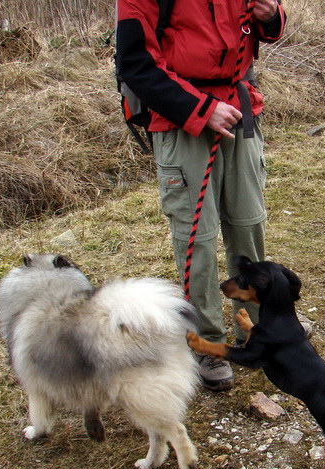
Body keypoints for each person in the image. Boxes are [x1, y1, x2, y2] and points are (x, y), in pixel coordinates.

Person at [115, 0, 286, 391]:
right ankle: (207, 342)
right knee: (199, 239)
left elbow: (263, 29)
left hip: (241, 110)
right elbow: (135, 63)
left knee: (249, 223)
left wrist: (270, 15)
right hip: (181, 122)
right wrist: (199, 109)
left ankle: (257, 326)